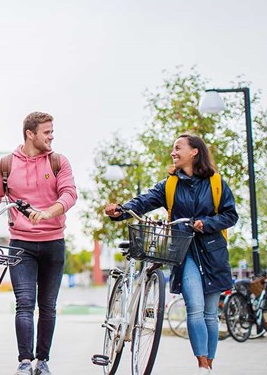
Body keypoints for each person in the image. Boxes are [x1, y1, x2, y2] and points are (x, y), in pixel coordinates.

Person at [105, 133, 238, 375]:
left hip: (213, 254)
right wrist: (121, 211)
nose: (173, 152)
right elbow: (143, 201)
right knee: (195, 308)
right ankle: (202, 365)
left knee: (210, 314)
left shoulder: (217, 183)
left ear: (194, 151)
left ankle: (210, 364)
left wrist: (205, 223)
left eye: (178, 148)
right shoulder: (170, 184)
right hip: (183, 251)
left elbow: (230, 215)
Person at [0, 111, 77, 375]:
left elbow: (70, 194)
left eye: (52, 131)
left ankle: (42, 361)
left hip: (53, 242)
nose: (51, 136)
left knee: (48, 305)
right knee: (24, 301)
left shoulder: (58, 162)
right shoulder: (6, 165)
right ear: (30, 134)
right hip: (21, 243)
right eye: (47, 132)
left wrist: (48, 212)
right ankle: (24, 362)